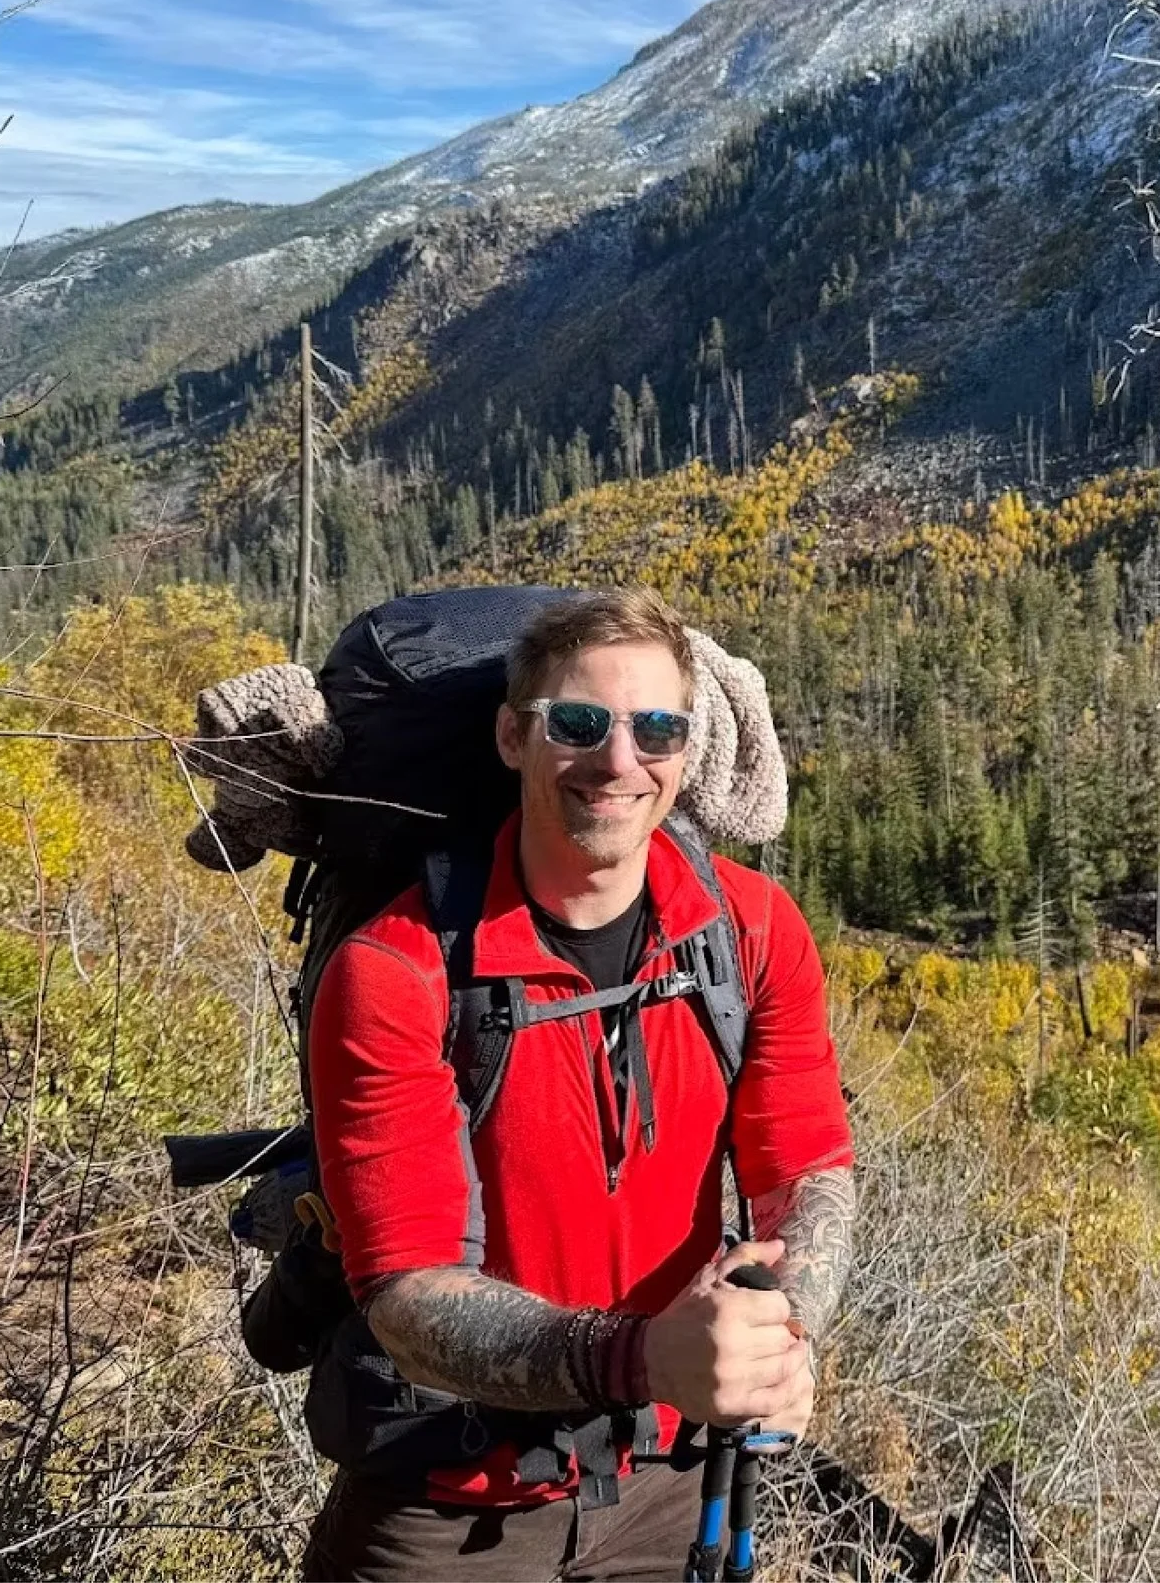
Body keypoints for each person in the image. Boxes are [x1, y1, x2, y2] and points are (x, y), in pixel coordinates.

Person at [300, 589, 857, 1580]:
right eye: (580, 724)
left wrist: (782, 1332)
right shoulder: (396, 971)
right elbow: (407, 1296)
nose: (618, 760)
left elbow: (807, 1170)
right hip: (443, 1510)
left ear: (686, 753)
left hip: (670, 1481)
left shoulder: (751, 930)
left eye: (656, 728)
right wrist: (648, 1361)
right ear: (514, 736)